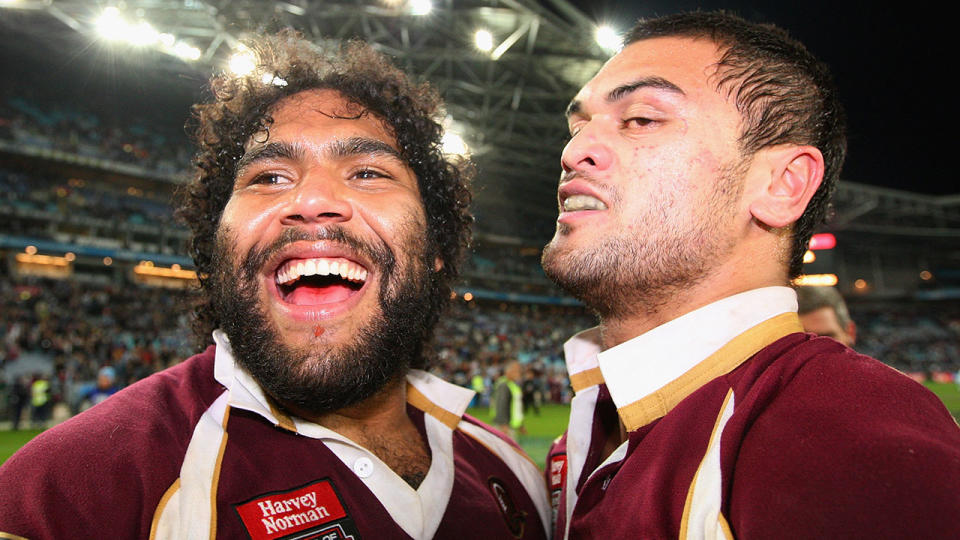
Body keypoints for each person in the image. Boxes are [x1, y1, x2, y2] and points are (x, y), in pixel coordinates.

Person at [0, 32, 549, 539]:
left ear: (434, 249)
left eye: (367, 172)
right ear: (216, 248)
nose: (310, 201)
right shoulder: (70, 495)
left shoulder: (515, 474)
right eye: (268, 178)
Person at [540, 11, 960, 539]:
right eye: (578, 126)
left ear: (782, 185)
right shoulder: (583, 435)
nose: (572, 152)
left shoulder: (851, 443)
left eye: (642, 119)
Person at [492, 361, 524, 438]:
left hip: (510, 425)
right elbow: (501, 405)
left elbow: (516, 406)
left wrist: (520, 425)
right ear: (508, 371)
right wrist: (503, 424)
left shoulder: (512, 384)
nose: (519, 374)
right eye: (516, 371)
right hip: (505, 426)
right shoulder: (504, 385)